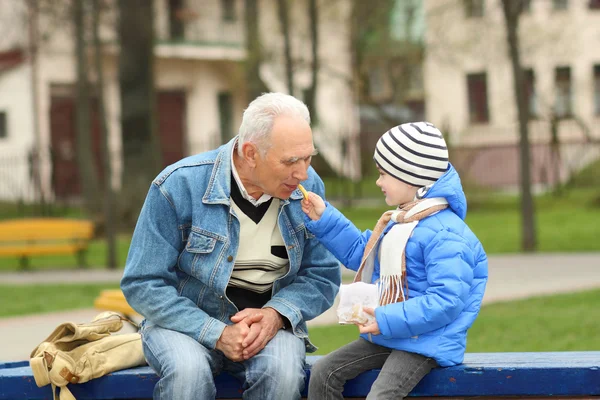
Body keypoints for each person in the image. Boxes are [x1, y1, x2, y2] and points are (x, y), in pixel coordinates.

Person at [121, 92, 341, 400]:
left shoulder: (308, 187)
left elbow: (322, 274)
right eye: (291, 161)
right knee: (188, 375)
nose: (303, 174)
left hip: (269, 325)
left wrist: (277, 314)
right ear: (250, 153)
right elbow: (142, 282)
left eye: (308, 158)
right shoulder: (178, 185)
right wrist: (216, 332)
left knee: (283, 374)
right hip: (183, 325)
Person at [301, 122, 488, 400]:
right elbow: (362, 252)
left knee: (382, 395)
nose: (378, 182)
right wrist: (324, 218)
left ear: (411, 176)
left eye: (383, 174)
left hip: (427, 342)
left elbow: (447, 301)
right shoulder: (402, 221)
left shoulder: (446, 234)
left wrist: (386, 318)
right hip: (391, 333)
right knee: (323, 373)